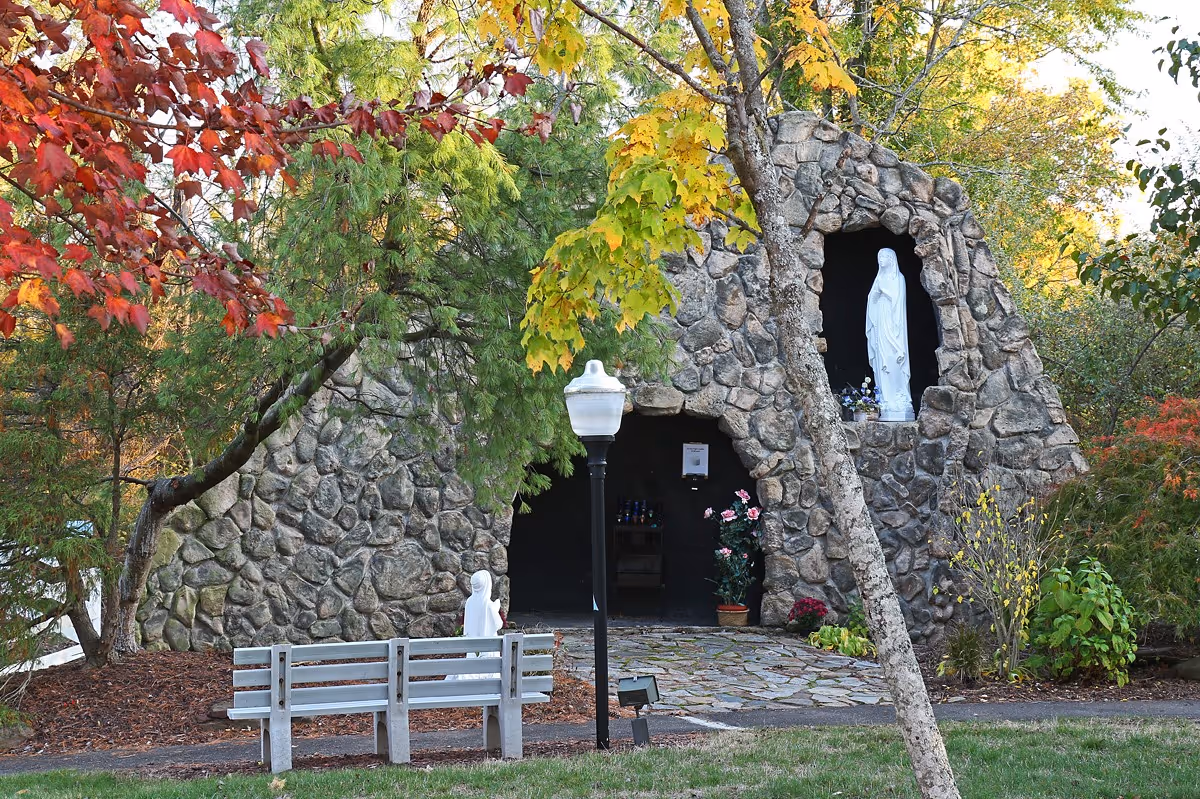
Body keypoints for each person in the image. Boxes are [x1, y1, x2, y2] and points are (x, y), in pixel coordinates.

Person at [865, 248, 916, 421]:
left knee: (894, 359)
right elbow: (870, 299)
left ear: (892, 259)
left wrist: (883, 291)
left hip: (894, 326)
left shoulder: (899, 279)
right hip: (880, 322)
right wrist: (876, 294)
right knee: (882, 360)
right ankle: (886, 400)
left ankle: (900, 398)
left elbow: (897, 299)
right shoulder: (878, 278)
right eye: (879, 257)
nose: (882, 260)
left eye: (885, 257)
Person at [448, 570, 503, 680]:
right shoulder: (488, 605)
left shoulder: (469, 602)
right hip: (488, 650)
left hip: (472, 648)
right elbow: (498, 624)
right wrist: (495, 608)